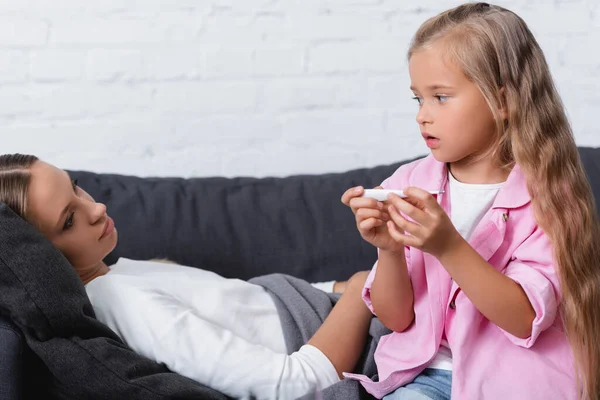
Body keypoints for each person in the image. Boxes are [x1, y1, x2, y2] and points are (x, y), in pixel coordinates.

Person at [341, 3, 600, 400]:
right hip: (422, 377)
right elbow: (396, 319)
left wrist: (448, 247)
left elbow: (524, 318)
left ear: (503, 102)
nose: (422, 116)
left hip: (515, 384)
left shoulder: (549, 198)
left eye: (441, 98)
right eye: (418, 100)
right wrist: (389, 251)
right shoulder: (409, 183)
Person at [0, 153, 373, 400]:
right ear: (40, 257)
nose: (95, 208)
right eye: (68, 220)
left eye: (76, 187)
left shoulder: (122, 272)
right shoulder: (124, 301)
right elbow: (292, 385)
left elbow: (244, 306)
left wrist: (338, 289)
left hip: (334, 311)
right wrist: (358, 292)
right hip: (350, 347)